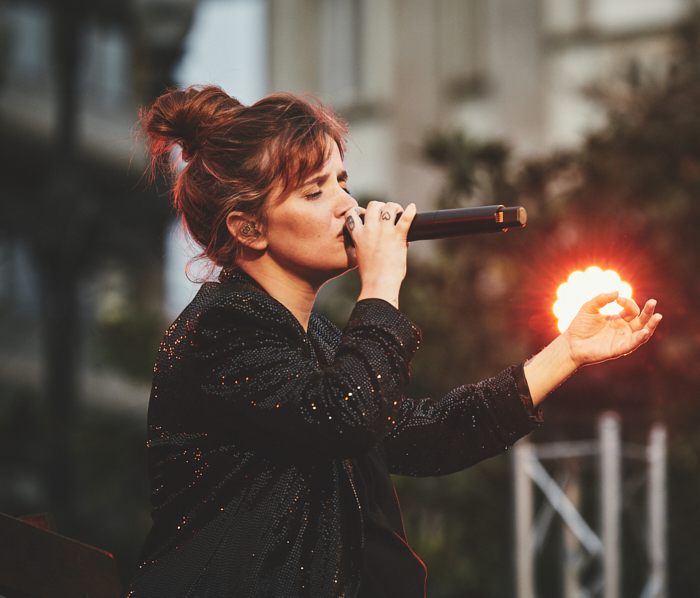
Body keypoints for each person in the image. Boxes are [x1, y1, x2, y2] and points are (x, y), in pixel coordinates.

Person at [124, 85, 661, 597]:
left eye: (342, 181)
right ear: (248, 229)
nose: (347, 205)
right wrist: (380, 285)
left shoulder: (320, 340)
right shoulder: (222, 328)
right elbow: (346, 415)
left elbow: (421, 435)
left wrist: (567, 350)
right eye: (315, 191)